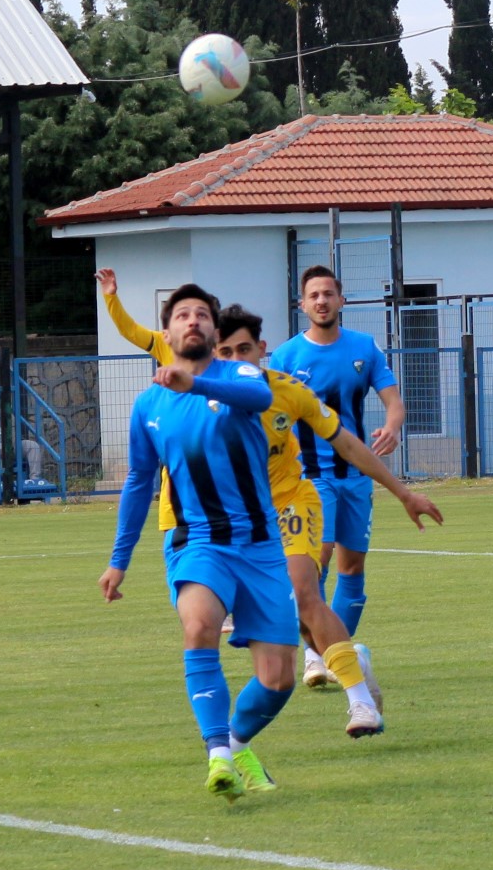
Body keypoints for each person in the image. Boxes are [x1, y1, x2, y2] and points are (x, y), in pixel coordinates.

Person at [98, 267, 443, 736]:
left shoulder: (283, 391)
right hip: (226, 526)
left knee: (305, 593)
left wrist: (403, 492)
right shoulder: (185, 393)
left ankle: (360, 703)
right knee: (289, 620)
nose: (236, 358)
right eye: (227, 351)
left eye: (245, 349)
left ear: (263, 351)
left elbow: (346, 443)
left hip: (290, 502)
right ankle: (340, 658)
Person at [97, 284, 296, 803]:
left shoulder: (241, 375)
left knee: (278, 680)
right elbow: (140, 483)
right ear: (166, 333)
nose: (192, 322)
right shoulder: (148, 406)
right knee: (200, 624)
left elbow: (259, 398)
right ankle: (218, 757)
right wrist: (119, 561)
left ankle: (235, 742)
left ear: (214, 330)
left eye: (201, 315)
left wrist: (194, 385)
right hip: (197, 541)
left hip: (258, 545)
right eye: (182, 315)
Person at [269, 265, 407, 687]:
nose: (322, 301)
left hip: (357, 476)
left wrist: (393, 426)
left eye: (329, 294)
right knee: (317, 560)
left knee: (353, 568)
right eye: (314, 295)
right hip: (309, 477)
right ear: (302, 304)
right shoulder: (286, 357)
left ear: (341, 301)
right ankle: (315, 655)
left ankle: (335, 652)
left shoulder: (364, 347)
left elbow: (394, 400)